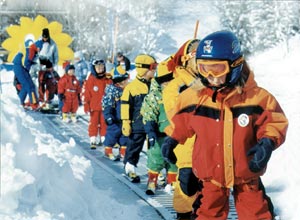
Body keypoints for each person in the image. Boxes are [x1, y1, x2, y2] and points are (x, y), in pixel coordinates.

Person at [161, 30, 289, 219]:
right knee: (208, 212)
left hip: (246, 170)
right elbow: (181, 121)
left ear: (235, 65)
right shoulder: (194, 97)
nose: (211, 76)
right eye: (204, 69)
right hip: (210, 172)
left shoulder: (257, 98)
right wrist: (171, 139)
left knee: (256, 212)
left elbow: (274, 121)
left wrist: (268, 142)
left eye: (217, 69)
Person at [163, 39, 203, 219]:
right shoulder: (177, 86)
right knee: (187, 185)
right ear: (187, 60)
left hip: (209, 147)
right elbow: (175, 117)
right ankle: (184, 214)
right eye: (197, 57)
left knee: (208, 189)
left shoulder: (210, 81)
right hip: (187, 146)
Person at [140, 59, 177, 195]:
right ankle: (152, 181)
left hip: (175, 134)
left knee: (174, 160)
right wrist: (150, 132)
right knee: (156, 158)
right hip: (159, 134)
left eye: (170, 82)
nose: (168, 85)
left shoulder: (177, 95)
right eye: (165, 82)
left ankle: (172, 182)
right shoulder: (154, 96)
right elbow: (148, 114)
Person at [121, 54, 157, 183]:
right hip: (137, 124)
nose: (154, 70)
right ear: (143, 69)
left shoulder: (155, 86)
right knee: (134, 146)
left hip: (152, 124)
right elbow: (125, 106)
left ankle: (154, 171)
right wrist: (126, 122)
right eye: (152, 67)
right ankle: (130, 166)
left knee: (154, 148)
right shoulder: (131, 88)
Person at [81, 59, 112, 148]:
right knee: (93, 123)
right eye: (97, 67)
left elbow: (111, 92)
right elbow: (86, 93)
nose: (100, 69)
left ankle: (103, 138)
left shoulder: (107, 79)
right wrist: (86, 104)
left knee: (104, 123)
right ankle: (93, 139)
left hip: (105, 107)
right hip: (94, 107)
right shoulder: (91, 79)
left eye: (102, 67)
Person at [102, 66, 130, 160]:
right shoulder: (112, 91)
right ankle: (108, 150)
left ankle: (123, 151)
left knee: (125, 135)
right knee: (112, 134)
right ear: (119, 81)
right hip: (114, 118)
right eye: (125, 80)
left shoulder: (127, 90)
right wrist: (108, 115)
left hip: (125, 118)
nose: (127, 82)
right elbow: (107, 105)